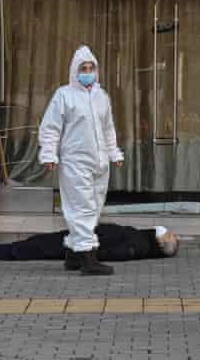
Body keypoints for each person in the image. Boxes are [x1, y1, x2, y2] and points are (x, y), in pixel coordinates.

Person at [38, 46, 124, 276]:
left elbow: (108, 129)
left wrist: (114, 153)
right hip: (75, 161)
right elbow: (51, 128)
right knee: (82, 208)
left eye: (91, 68)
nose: (87, 72)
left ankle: (73, 254)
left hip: (100, 162)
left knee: (93, 207)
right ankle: (88, 259)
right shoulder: (64, 96)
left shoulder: (102, 97)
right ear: (74, 71)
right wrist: (49, 154)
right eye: (83, 68)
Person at [0, 224, 179, 262]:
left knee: (35, 248)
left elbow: (115, 252)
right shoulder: (143, 238)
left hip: (80, 243)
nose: (171, 233)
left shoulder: (140, 246)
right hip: (82, 235)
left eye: (171, 235)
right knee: (37, 243)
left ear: (162, 242)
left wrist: (83, 251)